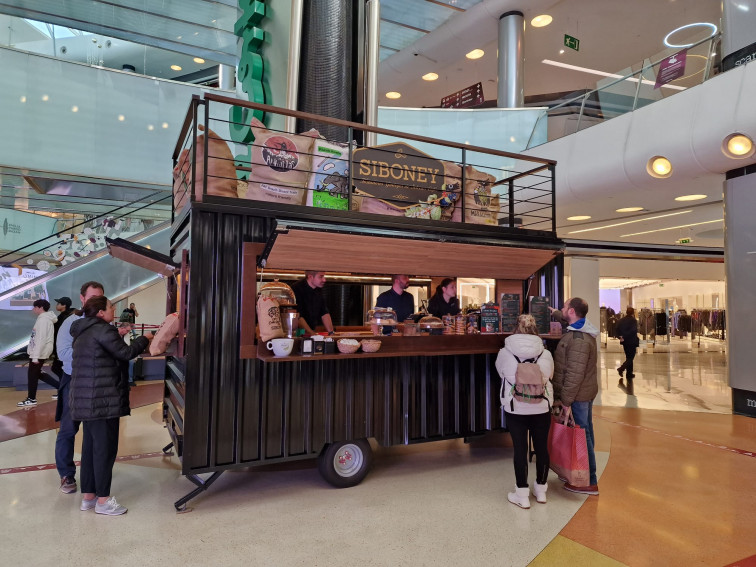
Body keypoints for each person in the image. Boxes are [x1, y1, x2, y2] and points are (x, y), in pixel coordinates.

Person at [71, 296, 152, 516]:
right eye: (110, 307)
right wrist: (144, 339)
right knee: (105, 450)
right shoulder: (103, 330)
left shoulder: (83, 330)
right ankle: (103, 501)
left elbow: (103, 353)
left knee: (90, 449)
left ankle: (89, 497)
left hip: (86, 399)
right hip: (103, 399)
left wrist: (117, 336)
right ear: (100, 312)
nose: (113, 310)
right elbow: (126, 354)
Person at [55, 281, 111, 494]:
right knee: (68, 429)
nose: (96, 303)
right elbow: (63, 355)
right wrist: (92, 355)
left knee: (94, 432)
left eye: (101, 299)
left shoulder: (105, 322)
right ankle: (66, 474)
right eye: (92, 298)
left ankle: (93, 478)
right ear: (82, 298)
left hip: (97, 384)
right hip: (74, 381)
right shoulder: (70, 323)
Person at [495, 314, 554, 509]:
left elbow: (501, 373)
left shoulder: (505, 352)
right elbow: (548, 376)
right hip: (541, 406)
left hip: (515, 406)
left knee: (520, 449)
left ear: (516, 328)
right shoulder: (544, 353)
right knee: (542, 447)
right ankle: (541, 490)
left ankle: (521, 494)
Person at [551, 297, 600, 495]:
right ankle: (579, 472)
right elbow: (564, 318)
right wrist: (554, 311)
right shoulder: (581, 329)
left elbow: (574, 374)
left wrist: (566, 401)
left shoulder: (578, 340)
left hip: (577, 396)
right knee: (585, 432)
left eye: (564, 307)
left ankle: (588, 481)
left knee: (582, 435)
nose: (562, 309)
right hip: (584, 393)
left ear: (571, 312)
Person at [17, 299, 59, 407]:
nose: (33, 309)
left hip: (39, 352)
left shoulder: (43, 320)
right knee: (37, 374)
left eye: (35, 307)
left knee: (32, 375)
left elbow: (40, 339)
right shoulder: (43, 319)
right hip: (38, 352)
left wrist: (35, 356)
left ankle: (31, 399)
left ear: (40, 307)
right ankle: (61, 387)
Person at [292, 271, 335, 335]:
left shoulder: (318, 289)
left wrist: (331, 333)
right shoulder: (296, 288)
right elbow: (298, 316)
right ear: (310, 277)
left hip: (311, 331)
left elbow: (324, 312)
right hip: (298, 332)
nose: (324, 280)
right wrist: (313, 334)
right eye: (321, 277)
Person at [51, 297, 75, 380]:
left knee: (58, 368)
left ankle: (64, 390)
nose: (56, 305)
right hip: (62, 347)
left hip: (63, 347)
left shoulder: (65, 318)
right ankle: (62, 390)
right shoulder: (63, 316)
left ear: (64, 305)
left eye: (58, 303)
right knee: (58, 368)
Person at [615, 307, 639, 380]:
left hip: (624, 341)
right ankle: (621, 369)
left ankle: (629, 373)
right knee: (630, 358)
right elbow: (633, 331)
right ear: (632, 313)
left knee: (628, 357)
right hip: (631, 341)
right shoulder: (633, 321)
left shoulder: (621, 320)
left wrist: (620, 337)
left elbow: (617, 329)